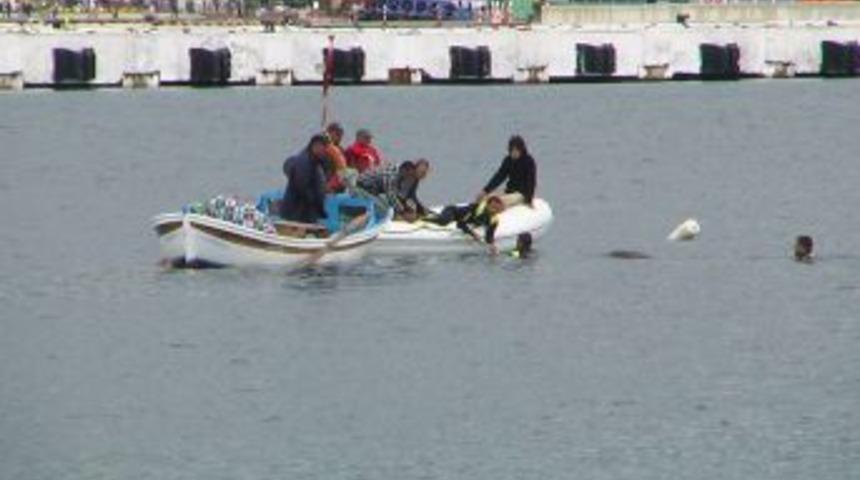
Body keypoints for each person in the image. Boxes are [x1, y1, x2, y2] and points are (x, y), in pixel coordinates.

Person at [425, 196, 506, 254]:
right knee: (443, 222)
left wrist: (492, 246)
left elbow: (489, 235)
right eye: (493, 207)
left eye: (497, 209)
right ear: (487, 205)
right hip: (452, 211)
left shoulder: (494, 220)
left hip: (461, 219)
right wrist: (472, 234)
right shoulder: (474, 208)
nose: (494, 211)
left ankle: (432, 215)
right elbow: (460, 224)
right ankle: (423, 218)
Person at [280, 135, 329, 224]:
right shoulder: (304, 162)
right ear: (315, 146)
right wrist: (317, 205)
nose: (325, 151)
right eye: (323, 147)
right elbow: (302, 187)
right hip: (297, 213)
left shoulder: (317, 162)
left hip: (307, 212)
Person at [477, 135, 536, 207]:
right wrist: (485, 191)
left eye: (516, 150)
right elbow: (499, 177)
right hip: (509, 192)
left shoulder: (529, 161)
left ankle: (495, 211)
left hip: (521, 194)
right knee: (486, 199)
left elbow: (531, 181)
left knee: (499, 202)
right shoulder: (508, 160)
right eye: (512, 150)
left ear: (521, 150)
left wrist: (529, 200)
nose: (514, 153)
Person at [323, 122, 348, 193]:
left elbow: (345, 169)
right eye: (337, 134)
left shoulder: (341, 150)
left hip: (338, 184)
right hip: (326, 184)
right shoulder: (322, 148)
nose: (339, 137)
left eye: (341, 134)